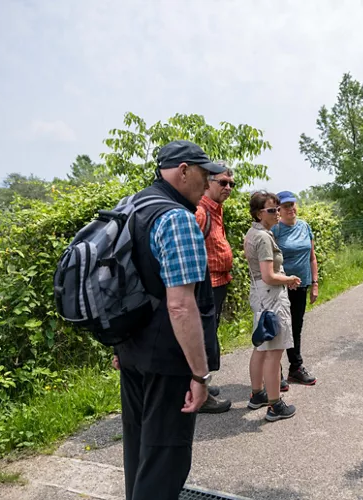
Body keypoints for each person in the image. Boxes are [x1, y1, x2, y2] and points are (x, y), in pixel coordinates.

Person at [114, 140, 225, 500]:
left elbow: (116, 283)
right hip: (167, 360)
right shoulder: (177, 218)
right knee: (165, 461)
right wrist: (199, 374)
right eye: (204, 173)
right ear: (183, 171)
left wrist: (118, 343)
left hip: (131, 350)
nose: (208, 182)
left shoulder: (132, 205)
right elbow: (180, 306)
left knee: (140, 449)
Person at [244, 191, 300, 421]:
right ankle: (274, 405)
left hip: (259, 295)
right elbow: (269, 275)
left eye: (277, 209)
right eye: (271, 210)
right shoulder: (264, 238)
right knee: (274, 352)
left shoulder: (253, 233)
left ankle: (257, 394)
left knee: (261, 347)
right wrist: (290, 279)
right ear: (259, 213)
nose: (277, 213)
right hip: (271, 296)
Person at [193, 162, 236, 414]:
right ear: (207, 183)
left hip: (218, 283)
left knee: (209, 334)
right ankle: (202, 394)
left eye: (231, 184)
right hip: (205, 286)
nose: (228, 187)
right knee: (203, 339)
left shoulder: (216, 210)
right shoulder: (201, 212)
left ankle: (203, 385)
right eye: (222, 182)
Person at [272, 191, 319, 387]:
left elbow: (312, 257)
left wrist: (314, 283)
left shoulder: (305, 226)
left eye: (292, 204)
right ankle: (276, 372)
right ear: (278, 210)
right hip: (281, 287)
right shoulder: (275, 229)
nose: (290, 208)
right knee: (280, 327)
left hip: (301, 284)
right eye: (285, 206)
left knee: (296, 327)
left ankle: (295, 368)